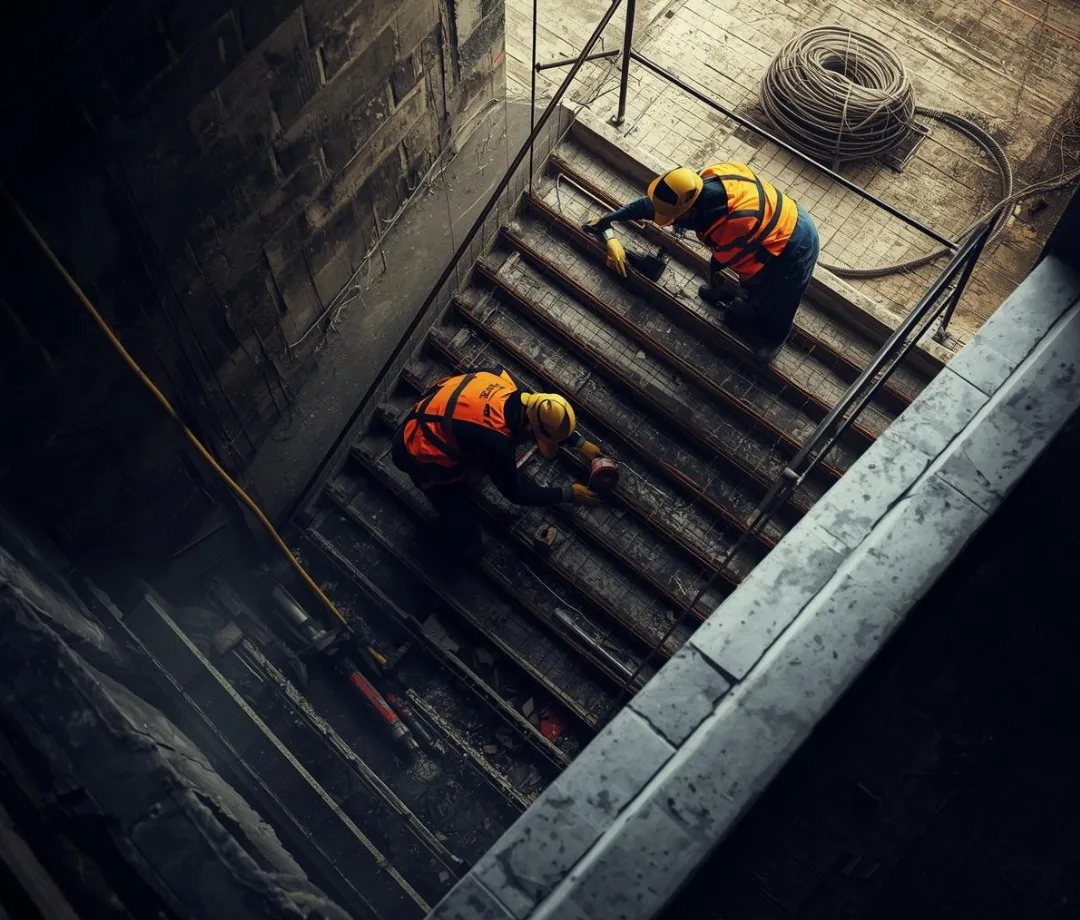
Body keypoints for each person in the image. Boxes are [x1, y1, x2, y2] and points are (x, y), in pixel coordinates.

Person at [585, 163, 820, 363]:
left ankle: (775, 338)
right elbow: (651, 206)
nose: (669, 222)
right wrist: (609, 220)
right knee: (738, 279)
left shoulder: (732, 225)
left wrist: (731, 284)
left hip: (792, 247)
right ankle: (727, 292)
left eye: (674, 219)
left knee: (774, 297)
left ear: (689, 213)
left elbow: (744, 269)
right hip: (777, 218)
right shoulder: (699, 183)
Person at [391, 365, 604, 558]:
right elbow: (518, 493)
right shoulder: (495, 442)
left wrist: (581, 444)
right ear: (529, 429)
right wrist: (568, 493)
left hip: (430, 410)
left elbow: (544, 418)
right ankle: (463, 550)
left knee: (478, 457)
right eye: (534, 438)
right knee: (466, 530)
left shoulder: (504, 380)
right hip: (413, 454)